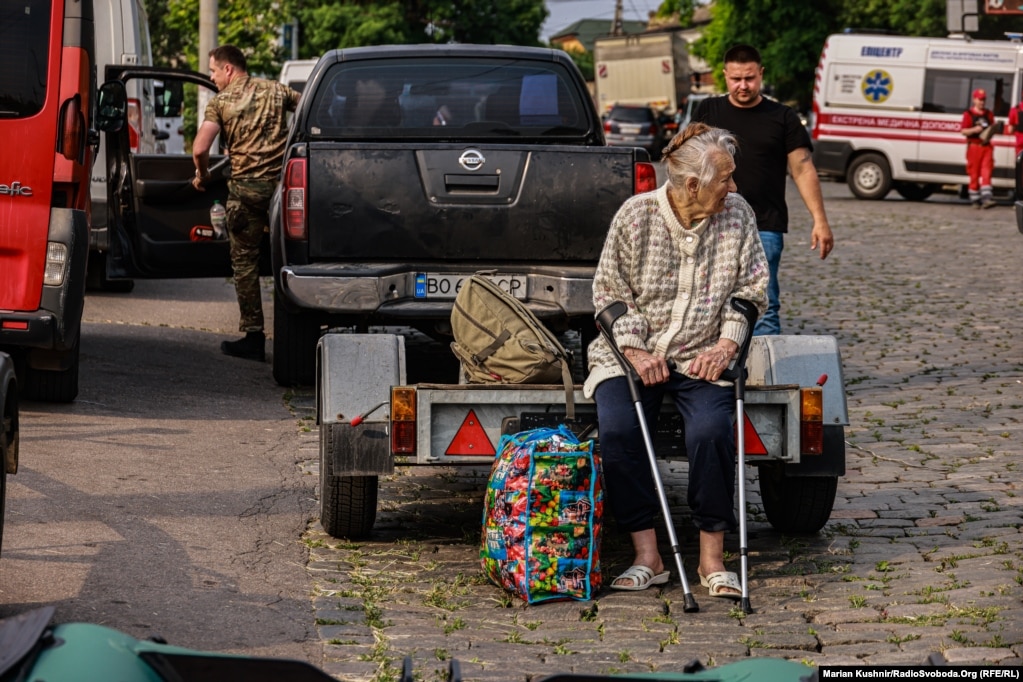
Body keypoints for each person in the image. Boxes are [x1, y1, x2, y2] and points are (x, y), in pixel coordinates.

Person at [584, 123, 768, 595]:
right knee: (620, 431)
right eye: (724, 179)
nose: (733, 187)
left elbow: (751, 290)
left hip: (701, 353)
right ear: (692, 185)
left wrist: (727, 344)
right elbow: (607, 291)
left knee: (711, 432)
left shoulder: (738, 214)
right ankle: (648, 554)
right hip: (630, 353)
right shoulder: (636, 215)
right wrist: (634, 348)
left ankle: (711, 558)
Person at [693, 44, 834, 336]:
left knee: (763, 307)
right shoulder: (708, 110)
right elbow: (690, 164)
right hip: (714, 223)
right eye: (735, 79)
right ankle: (718, 376)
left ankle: (766, 377)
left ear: (761, 74)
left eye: (749, 78)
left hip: (765, 226)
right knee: (710, 304)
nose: (743, 86)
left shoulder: (783, 117)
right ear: (725, 75)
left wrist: (819, 220)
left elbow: (803, 169)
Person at [192, 45, 301, 361]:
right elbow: (307, 107)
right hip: (282, 192)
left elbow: (200, 149)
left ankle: (254, 337)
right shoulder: (277, 91)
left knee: (245, 264)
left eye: (213, 71)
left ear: (228, 69)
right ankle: (295, 330)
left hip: (245, 193)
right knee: (289, 259)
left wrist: (201, 176)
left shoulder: (221, 102)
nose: (212, 78)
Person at [962, 88, 997, 209]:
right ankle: (975, 199)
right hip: (974, 147)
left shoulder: (989, 114)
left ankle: (987, 198)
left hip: (986, 147)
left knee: (987, 171)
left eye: (984, 100)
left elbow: (993, 127)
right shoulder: (969, 114)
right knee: (974, 173)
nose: (982, 102)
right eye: (980, 99)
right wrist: (974, 130)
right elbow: (964, 131)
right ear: (974, 100)